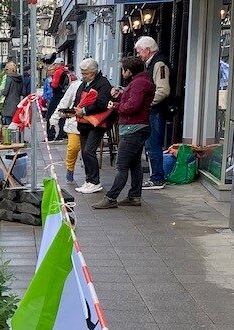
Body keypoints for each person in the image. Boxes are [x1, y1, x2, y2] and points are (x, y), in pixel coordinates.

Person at [94, 56, 155, 209]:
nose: (122, 72)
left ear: (129, 70)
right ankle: (134, 196)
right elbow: (133, 101)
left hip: (133, 127)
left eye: (123, 70)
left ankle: (111, 197)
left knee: (121, 165)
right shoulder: (140, 82)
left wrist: (115, 106)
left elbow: (132, 106)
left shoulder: (138, 83)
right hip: (139, 126)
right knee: (134, 164)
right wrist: (120, 97)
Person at [134, 36, 172, 190]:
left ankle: (157, 178)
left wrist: (146, 104)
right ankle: (155, 176)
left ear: (147, 50)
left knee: (153, 144)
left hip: (155, 111)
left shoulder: (159, 64)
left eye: (139, 52)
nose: (138, 55)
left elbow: (163, 90)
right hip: (152, 110)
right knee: (151, 144)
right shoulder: (152, 63)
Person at [71, 58, 114, 194]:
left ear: (93, 72)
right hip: (83, 123)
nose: (83, 76)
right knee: (84, 152)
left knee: (89, 151)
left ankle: (95, 181)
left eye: (86, 73)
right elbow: (78, 99)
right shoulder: (83, 84)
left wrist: (84, 110)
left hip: (96, 123)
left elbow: (101, 103)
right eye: (82, 73)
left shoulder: (103, 83)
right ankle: (89, 180)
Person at [49, 74, 84, 183]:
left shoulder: (98, 86)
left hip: (90, 123)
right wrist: (54, 118)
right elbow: (64, 102)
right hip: (74, 123)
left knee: (88, 152)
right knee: (73, 148)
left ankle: (91, 178)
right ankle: (70, 168)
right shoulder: (75, 86)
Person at [44, 57, 71, 140]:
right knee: (62, 115)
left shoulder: (58, 72)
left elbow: (55, 85)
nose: (54, 66)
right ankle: (62, 134)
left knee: (49, 115)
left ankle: (50, 135)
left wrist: (51, 83)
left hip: (57, 96)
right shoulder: (66, 72)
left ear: (58, 64)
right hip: (64, 95)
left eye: (54, 64)